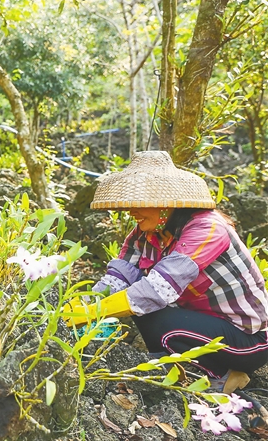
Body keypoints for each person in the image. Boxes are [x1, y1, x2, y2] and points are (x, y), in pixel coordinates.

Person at [66, 151, 268, 394]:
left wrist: (89, 314)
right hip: (206, 327)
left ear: (166, 203)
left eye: (139, 204)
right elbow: (117, 279)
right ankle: (180, 371)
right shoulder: (145, 234)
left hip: (248, 340)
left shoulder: (207, 229)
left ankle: (220, 376)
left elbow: (155, 290)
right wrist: (74, 307)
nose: (132, 212)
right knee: (142, 303)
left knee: (158, 318)